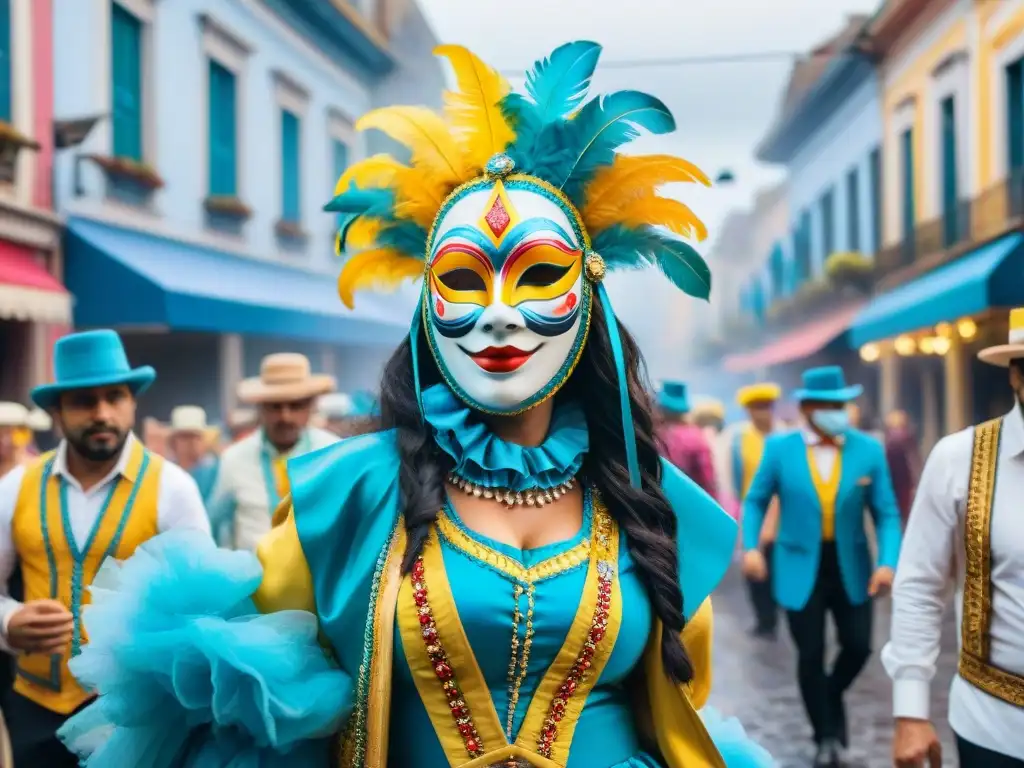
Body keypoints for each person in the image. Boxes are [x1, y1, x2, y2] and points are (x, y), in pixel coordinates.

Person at [56, 41, 771, 767]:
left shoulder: (649, 503)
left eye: (537, 276)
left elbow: (682, 698)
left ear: (589, 298)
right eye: (463, 279)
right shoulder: (351, 495)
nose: (498, 314)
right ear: (426, 306)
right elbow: (261, 703)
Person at [0, 329, 212, 768]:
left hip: (133, 716)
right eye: (83, 401)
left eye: (114, 397)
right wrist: (8, 622)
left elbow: (203, 610)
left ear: (133, 402)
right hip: (35, 707)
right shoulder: (15, 486)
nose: (102, 413)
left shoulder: (173, 488)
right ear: (57, 411)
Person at [742, 365, 902, 767]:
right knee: (809, 653)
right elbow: (756, 499)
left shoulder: (868, 449)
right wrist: (752, 547)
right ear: (809, 407)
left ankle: (829, 696)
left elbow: (886, 513)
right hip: (798, 565)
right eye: (831, 405)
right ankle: (825, 737)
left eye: (843, 404)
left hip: (852, 565)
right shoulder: (780, 449)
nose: (839, 411)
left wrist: (887, 562)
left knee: (859, 646)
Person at [885, 308, 1024, 768]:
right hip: (997, 724)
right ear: (1016, 376)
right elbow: (920, 584)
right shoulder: (959, 459)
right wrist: (910, 711)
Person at [207, 353, 338, 551]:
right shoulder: (233, 459)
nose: (285, 416)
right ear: (260, 407)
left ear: (311, 406)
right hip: (255, 578)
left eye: (295, 405)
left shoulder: (332, 454)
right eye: (275, 406)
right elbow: (214, 527)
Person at [732, 383, 782, 639]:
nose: (760, 413)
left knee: (778, 563)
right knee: (753, 565)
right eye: (755, 408)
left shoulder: (786, 437)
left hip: (783, 513)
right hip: (754, 512)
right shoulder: (740, 441)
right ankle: (764, 617)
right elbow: (739, 480)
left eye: (765, 407)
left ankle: (776, 610)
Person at [656, 381, 718, 498]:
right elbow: (708, 479)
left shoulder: (656, 435)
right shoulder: (695, 436)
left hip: (662, 498)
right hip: (692, 498)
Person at [167, 405, 220, 505]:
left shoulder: (215, 472)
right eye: (185, 437)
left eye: (196, 437)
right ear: (173, 442)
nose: (191, 443)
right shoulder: (166, 473)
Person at [882, 410, 920, 528]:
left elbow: (914, 461)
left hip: (902, 485)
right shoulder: (905, 440)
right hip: (899, 485)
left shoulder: (900, 441)